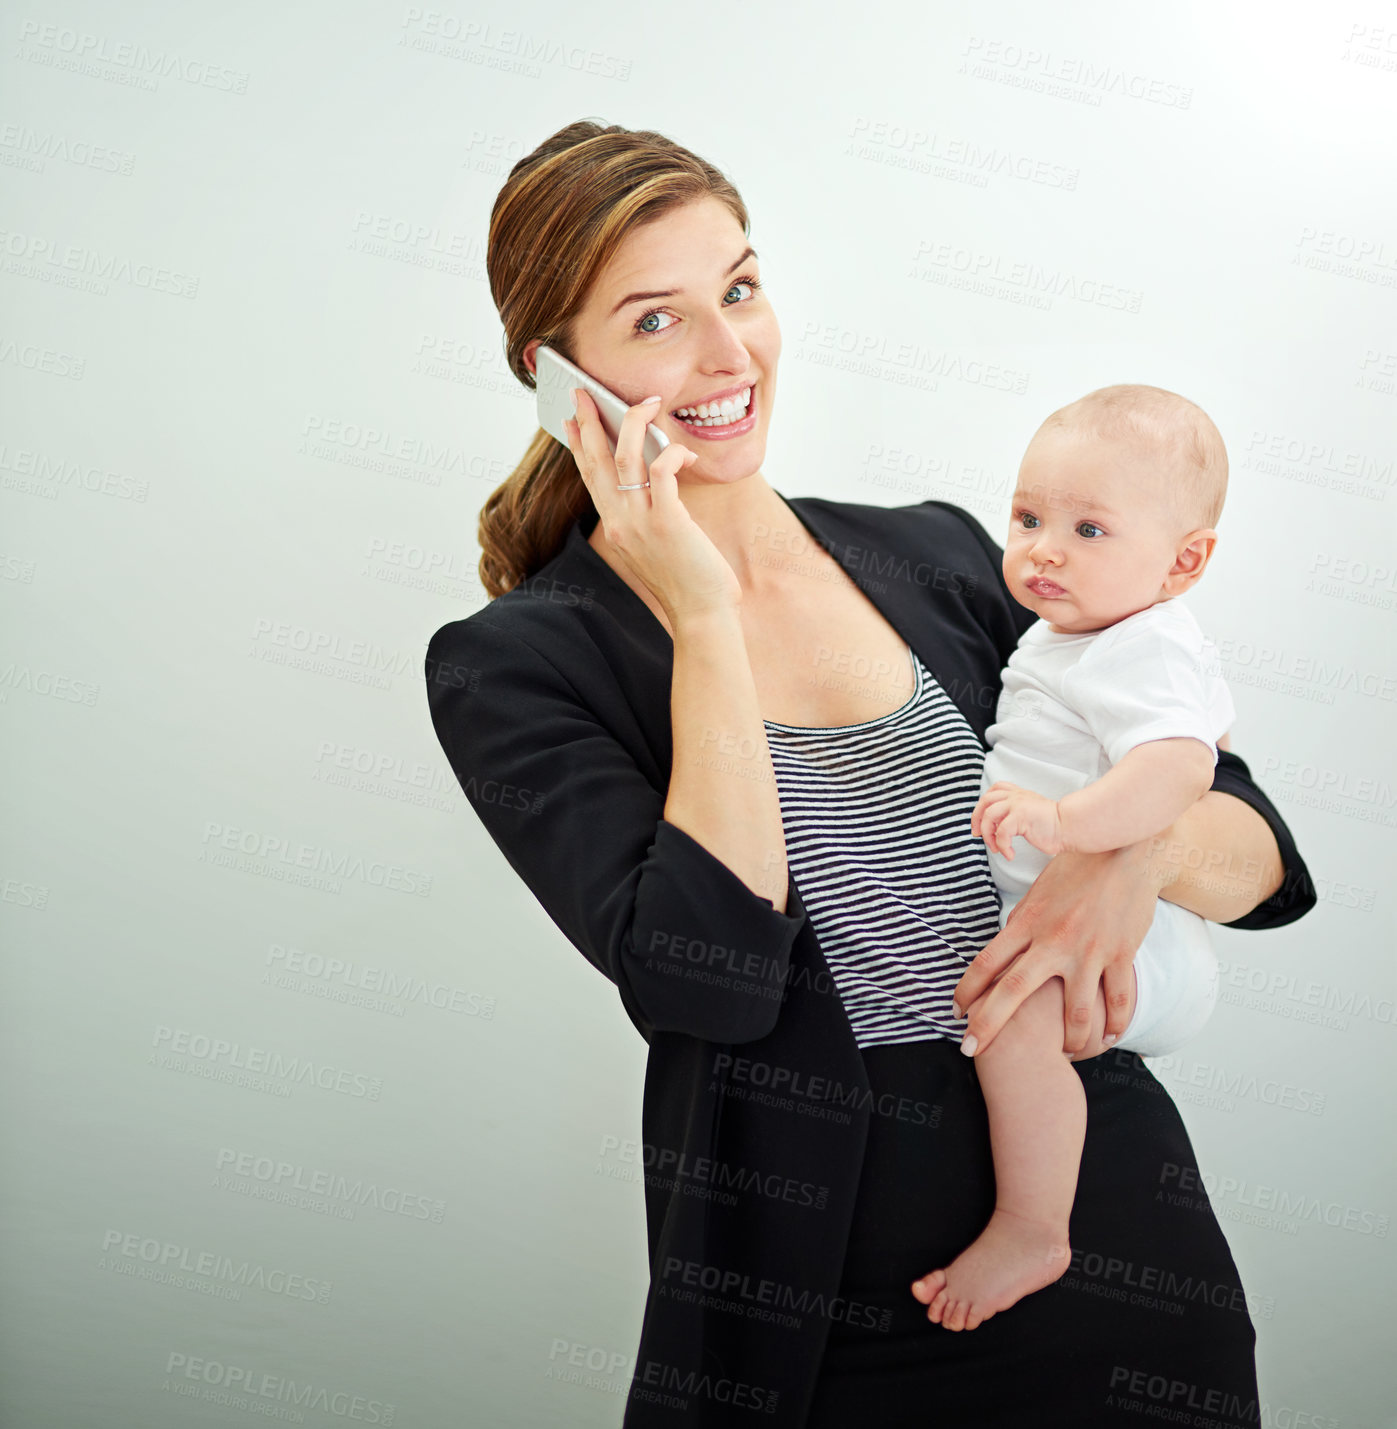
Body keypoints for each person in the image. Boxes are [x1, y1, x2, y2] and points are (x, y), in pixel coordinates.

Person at [423, 120, 1316, 1428]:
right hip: (828, 1315)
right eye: (657, 322)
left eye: (738, 288)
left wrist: (1125, 857)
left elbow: (1265, 855)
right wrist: (707, 621)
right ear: (555, 377)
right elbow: (703, 978)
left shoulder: (947, 554)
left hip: (1118, 1247)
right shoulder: (518, 665)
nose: (730, 356)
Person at [914, 384, 1239, 1332]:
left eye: (1089, 529)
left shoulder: (1140, 646)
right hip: (1098, 933)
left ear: (1182, 563)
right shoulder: (1084, 634)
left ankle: (1031, 1223)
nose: (1044, 547)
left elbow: (1181, 764)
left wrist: (1070, 823)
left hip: (1134, 951)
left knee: (1008, 1021)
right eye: (1027, 517)